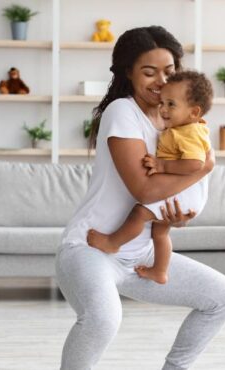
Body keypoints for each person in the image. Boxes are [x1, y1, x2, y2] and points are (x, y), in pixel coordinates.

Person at [55, 26, 225, 370]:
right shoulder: (122, 112)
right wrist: (203, 168)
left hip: (141, 255)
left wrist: (176, 218)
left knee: (222, 296)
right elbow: (144, 190)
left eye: (168, 71)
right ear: (129, 73)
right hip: (91, 249)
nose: (159, 80)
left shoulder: (175, 121)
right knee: (103, 319)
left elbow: (170, 195)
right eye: (148, 71)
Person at [87, 70, 213, 285]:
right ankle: (160, 271)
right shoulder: (184, 128)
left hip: (185, 191)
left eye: (171, 105)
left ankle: (113, 242)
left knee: (139, 213)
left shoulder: (189, 132)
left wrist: (162, 165)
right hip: (186, 192)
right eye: (162, 103)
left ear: (194, 112)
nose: (163, 109)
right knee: (160, 232)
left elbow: (196, 164)